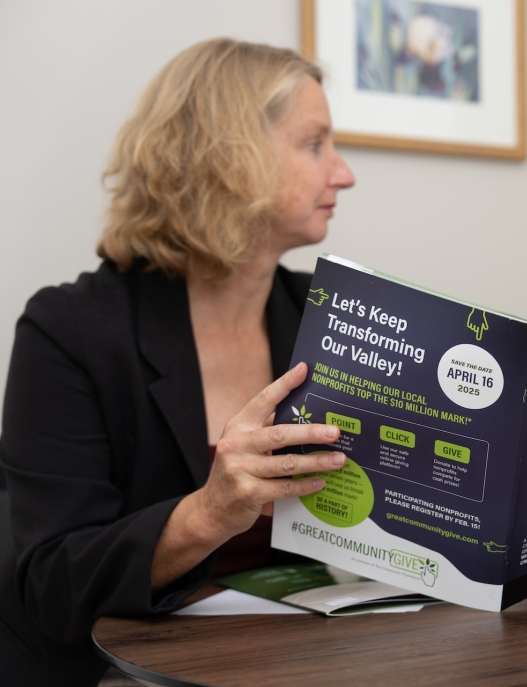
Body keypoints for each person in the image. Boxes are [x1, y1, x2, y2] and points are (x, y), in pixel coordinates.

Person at [0, 39, 355, 685]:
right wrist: (208, 512)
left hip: (294, 654)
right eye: (314, 144)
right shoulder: (69, 329)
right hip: (122, 668)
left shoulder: (327, 316)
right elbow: (50, 583)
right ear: (231, 157)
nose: (344, 173)